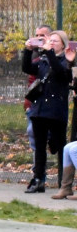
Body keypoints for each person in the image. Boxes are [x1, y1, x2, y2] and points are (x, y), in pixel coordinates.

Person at [21, 30, 74, 193]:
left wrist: (50, 52)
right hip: (39, 109)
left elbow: (60, 73)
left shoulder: (67, 61)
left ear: (63, 45)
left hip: (56, 111)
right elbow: (27, 68)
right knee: (39, 146)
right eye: (49, 41)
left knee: (60, 146)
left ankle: (63, 181)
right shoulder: (42, 60)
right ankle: (38, 180)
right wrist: (27, 51)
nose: (51, 44)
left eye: (55, 41)